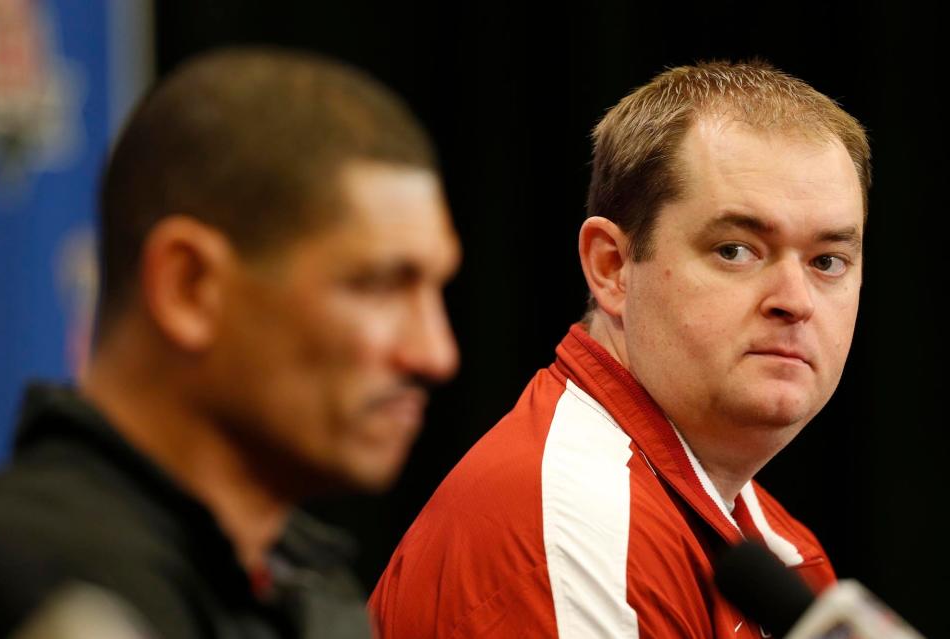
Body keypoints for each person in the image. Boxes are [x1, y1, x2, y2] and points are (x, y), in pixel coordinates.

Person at [370, 60, 869, 638]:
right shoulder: (574, 531)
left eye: (827, 261)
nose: (795, 300)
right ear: (611, 268)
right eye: (736, 250)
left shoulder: (776, 548)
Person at [0, 47, 460, 638]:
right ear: (189, 287)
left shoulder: (312, 596)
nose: (435, 354)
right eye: (375, 287)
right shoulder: (42, 597)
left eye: (436, 288)